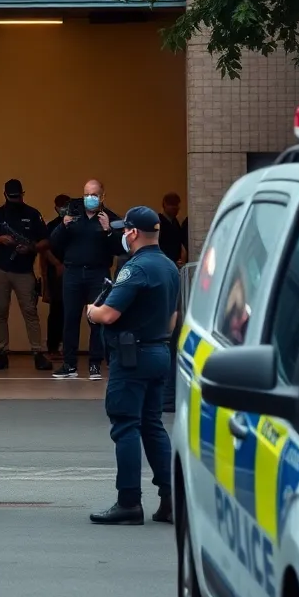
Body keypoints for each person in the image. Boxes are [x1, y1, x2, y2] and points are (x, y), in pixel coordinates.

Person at [86, 206, 179, 525]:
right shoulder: (169, 266)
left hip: (132, 356)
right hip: (159, 351)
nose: (122, 234)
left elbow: (109, 314)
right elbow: (173, 316)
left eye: (125, 230)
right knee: (152, 424)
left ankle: (128, 501)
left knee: (126, 425)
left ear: (134, 233)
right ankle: (170, 500)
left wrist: (90, 312)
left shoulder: (134, 268)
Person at [47, 179, 122, 380]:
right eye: (87, 194)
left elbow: (120, 248)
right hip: (72, 273)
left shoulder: (111, 218)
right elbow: (53, 243)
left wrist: (108, 230)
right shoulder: (73, 215)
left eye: (94, 195)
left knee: (96, 319)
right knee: (70, 318)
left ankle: (95, 365)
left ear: (102, 196)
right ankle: (69, 364)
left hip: (98, 274)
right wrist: (63, 225)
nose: (89, 198)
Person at [0, 178, 53, 371]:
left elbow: (47, 241)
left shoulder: (32, 214)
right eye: (11, 196)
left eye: (17, 196)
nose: (15, 199)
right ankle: (2, 353)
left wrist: (31, 247)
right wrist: (0, 239)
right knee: (0, 312)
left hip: (23, 271)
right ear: (5, 195)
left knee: (30, 311)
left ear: (22, 194)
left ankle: (38, 353)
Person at [42, 194, 71, 358]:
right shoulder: (51, 226)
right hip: (56, 274)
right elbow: (44, 250)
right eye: (60, 205)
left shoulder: (76, 225)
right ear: (55, 207)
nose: (62, 208)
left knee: (71, 312)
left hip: (73, 271)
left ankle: (68, 348)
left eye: (65, 205)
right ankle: (52, 348)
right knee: (56, 311)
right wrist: (57, 265)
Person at [158, 191, 189, 265]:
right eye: (172, 204)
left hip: (175, 263)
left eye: (176, 205)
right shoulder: (159, 222)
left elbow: (180, 243)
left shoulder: (175, 222)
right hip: (163, 263)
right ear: (164, 205)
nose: (175, 208)